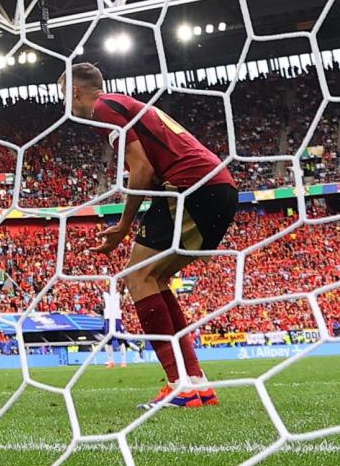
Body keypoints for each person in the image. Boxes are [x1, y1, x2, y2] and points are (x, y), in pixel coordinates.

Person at [62, 62, 233, 409]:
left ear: (75, 92)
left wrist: (124, 226)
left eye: (62, 93)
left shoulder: (104, 108)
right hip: (215, 187)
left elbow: (142, 170)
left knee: (137, 277)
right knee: (153, 279)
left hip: (191, 188)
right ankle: (195, 383)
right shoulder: (123, 105)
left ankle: (179, 385)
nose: (61, 102)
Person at [102, 288, 128, 369]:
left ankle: (124, 362)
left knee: (120, 340)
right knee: (107, 341)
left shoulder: (117, 294)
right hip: (107, 318)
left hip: (116, 318)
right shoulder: (105, 294)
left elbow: (122, 291)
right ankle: (111, 362)